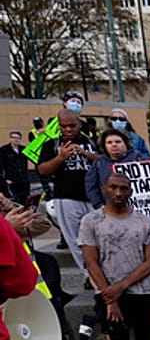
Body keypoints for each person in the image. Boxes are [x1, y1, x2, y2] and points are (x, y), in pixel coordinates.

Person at [80, 172, 150, 340]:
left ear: (130, 192)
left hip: (143, 293)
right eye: (113, 187)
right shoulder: (91, 221)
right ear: (105, 189)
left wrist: (122, 285)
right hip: (108, 295)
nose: (118, 193)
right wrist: (110, 296)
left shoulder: (145, 221)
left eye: (123, 188)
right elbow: (91, 261)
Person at [34, 108, 96, 273]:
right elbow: (42, 170)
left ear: (79, 124)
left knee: (99, 237)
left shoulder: (93, 142)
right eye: (64, 126)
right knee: (76, 240)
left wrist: (87, 154)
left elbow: (107, 161)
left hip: (94, 197)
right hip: (66, 197)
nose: (68, 130)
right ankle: (89, 275)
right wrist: (61, 157)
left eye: (72, 126)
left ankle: (103, 271)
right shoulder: (51, 144)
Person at [1, 131, 28, 203]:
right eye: (14, 137)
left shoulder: (24, 149)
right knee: (15, 200)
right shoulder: (4, 150)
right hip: (12, 180)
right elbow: (1, 165)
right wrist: (5, 179)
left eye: (18, 138)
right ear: (10, 139)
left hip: (24, 179)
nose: (16, 140)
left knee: (25, 200)